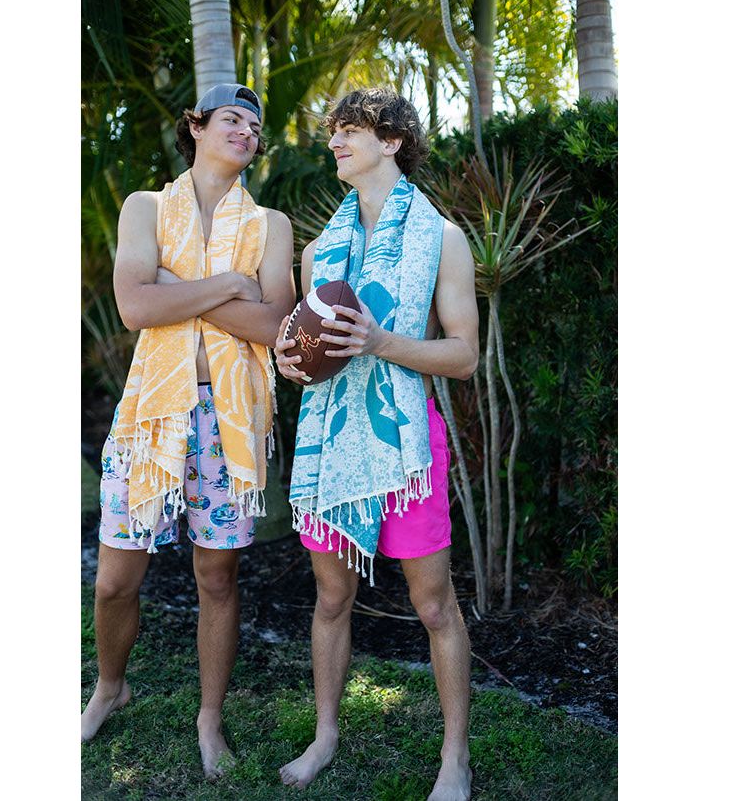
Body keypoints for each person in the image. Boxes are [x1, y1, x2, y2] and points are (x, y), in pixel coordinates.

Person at [81, 83, 295, 781]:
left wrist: (176, 286)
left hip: (229, 422)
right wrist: (231, 284)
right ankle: (110, 686)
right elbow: (135, 308)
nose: (246, 132)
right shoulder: (144, 207)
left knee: (217, 577)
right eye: (232, 119)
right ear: (196, 127)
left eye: (255, 127)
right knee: (115, 580)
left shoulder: (271, 225)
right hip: (151, 414)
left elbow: (276, 327)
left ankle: (209, 717)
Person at [274, 88, 478, 801]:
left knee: (434, 605)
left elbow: (464, 355)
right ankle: (326, 736)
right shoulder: (316, 253)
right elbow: (309, 353)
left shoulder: (442, 239)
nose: (334, 141)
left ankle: (455, 758)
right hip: (331, 444)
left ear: (391, 142)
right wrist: (290, 360)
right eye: (333, 131)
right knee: (332, 599)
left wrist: (381, 342)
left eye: (350, 129)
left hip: (405, 447)